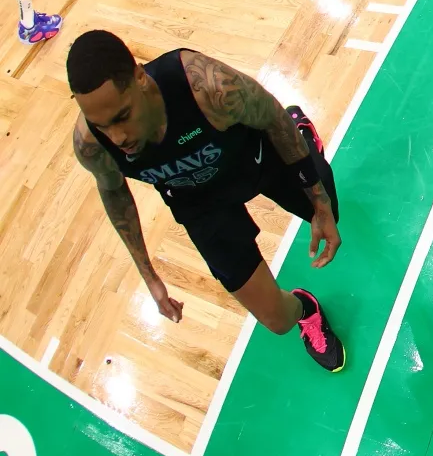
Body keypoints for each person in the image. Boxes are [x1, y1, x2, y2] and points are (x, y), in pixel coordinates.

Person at [66, 30, 346, 371]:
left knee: (331, 209)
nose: (117, 137)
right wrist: (149, 275)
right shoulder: (91, 145)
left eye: (122, 117)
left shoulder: (206, 87)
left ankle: (299, 130)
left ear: (140, 78)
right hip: (199, 202)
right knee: (277, 321)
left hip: (255, 158)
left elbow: (269, 115)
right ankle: (306, 310)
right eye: (101, 125)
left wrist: (317, 200)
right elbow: (113, 190)